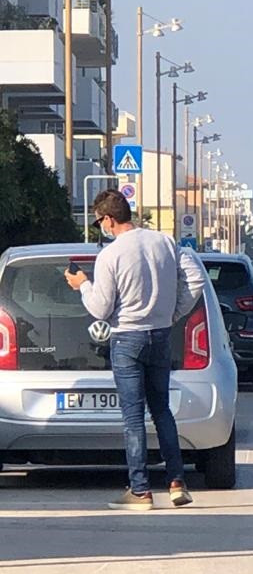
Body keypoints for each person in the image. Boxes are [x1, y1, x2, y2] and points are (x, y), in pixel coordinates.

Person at [65, 190, 207, 509]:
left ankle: (140, 490)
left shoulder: (111, 256)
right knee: (161, 410)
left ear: (109, 219)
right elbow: (196, 279)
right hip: (160, 335)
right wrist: (173, 312)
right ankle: (176, 482)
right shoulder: (166, 243)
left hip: (127, 337)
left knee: (133, 417)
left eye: (99, 221)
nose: (100, 227)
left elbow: (101, 309)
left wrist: (82, 285)